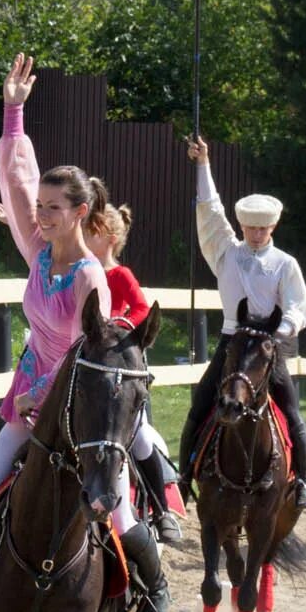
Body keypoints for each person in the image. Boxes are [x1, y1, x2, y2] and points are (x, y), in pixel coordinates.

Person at [0, 55, 171, 612]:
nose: (39, 214)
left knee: (113, 507)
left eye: (53, 208)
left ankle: (156, 585)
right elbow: (15, 183)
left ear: (80, 213)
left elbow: (82, 351)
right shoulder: (38, 251)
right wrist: (13, 114)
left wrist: (45, 394)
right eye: (40, 208)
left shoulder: (91, 275)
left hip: (73, 397)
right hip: (29, 395)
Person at [182, 137, 306, 508]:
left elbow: (297, 305)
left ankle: (303, 480)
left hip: (268, 347)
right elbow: (210, 210)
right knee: (201, 404)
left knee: (290, 410)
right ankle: (184, 472)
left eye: (263, 229)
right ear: (242, 226)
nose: (256, 235)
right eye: (251, 229)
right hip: (231, 340)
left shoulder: (285, 264)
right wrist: (203, 164)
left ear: (272, 227)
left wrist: (281, 332)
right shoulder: (226, 252)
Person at [82, 200, 191, 540]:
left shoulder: (120, 275)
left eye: (92, 233)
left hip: (121, 364)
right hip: (90, 363)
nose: (85, 238)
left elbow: (143, 307)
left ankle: (161, 509)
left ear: (110, 238)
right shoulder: (81, 271)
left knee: (141, 436)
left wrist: (119, 326)